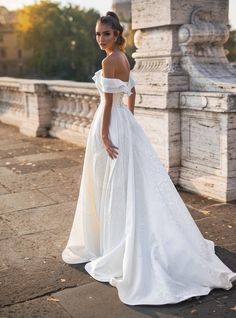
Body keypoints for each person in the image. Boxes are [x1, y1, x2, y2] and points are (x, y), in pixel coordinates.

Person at [62, 11, 236, 306]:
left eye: (105, 33)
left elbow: (106, 103)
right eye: (97, 34)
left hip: (110, 125)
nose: (100, 38)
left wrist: (105, 134)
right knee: (122, 182)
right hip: (125, 124)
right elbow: (132, 91)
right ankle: (117, 236)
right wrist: (128, 117)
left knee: (111, 182)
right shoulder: (124, 58)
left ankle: (112, 240)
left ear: (117, 34)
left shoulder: (108, 61)